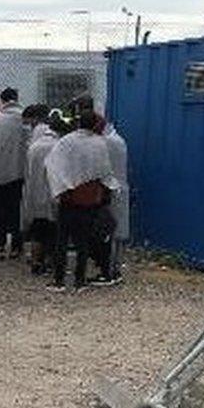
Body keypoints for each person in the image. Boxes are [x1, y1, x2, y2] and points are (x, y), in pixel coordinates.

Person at [44, 110, 117, 292]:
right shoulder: (100, 144)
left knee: (62, 240)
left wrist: (63, 185)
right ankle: (80, 280)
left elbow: (51, 163)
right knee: (82, 241)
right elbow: (104, 172)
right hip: (89, 199)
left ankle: (59, 280)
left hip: (68, 197)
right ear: (94, 125)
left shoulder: (66, 141)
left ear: (78, 123)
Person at [23, 114, 69, 275]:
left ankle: (36, 262)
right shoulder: (59, 146)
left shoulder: (35, 146)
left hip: (34, 194)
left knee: (37, 230)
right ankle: (51, 261)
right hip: (52, 194)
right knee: (53, 231)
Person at [0, 87, 29, 259]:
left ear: (2, 100)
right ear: (17, 98)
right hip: (21, 171)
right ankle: (17, 246)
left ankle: (0, 245)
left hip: (0, 171)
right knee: (17, 209)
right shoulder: (24, 118)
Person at [102, 115, 129, 283]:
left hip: (112, 190)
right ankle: (115, 268)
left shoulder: (108, 142)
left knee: (111, 232)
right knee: (117, 232)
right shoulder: (117, 139)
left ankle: (110, 271)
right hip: (119, 189)